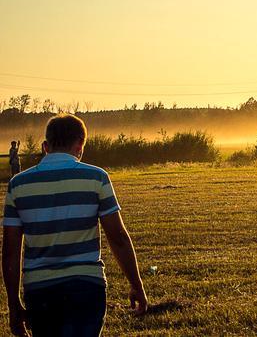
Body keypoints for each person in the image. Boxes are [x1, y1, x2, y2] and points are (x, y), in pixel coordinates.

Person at [3, 114, 148, 337]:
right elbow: (118, 237)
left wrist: (13, 306)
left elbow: (10, 252)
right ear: (80, 145)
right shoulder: (96, 178)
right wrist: (136, 284)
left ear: (45, 146)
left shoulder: (18, 185)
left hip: (40, 290)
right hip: (87, 285)